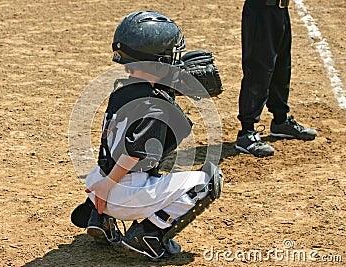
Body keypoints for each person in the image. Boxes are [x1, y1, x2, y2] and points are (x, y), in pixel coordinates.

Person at [70, 11, 223, 259]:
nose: (176, 60)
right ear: (158, 61)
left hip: (97, 179)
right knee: (207, 181)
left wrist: (103, 184)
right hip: (117, 192)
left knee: (141, 160)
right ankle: (148, 235)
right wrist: (107, 189)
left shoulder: (123, 90)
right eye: (171, 56)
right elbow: (133, 152)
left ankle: (100, 218)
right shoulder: (156, 106)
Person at [235, 0, 317, 157]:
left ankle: (280, 121)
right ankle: (246, 133)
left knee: (281, 69)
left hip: (280, 11)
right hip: (261, 11)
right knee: (259, 71)